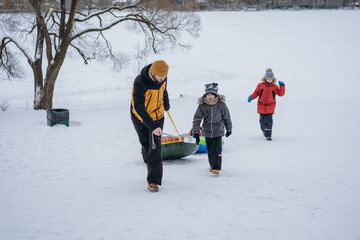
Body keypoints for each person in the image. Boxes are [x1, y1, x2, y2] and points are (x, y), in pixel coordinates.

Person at [130, 60, 170, 192]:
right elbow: (139, 107)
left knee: (155, 149)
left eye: (165, 77)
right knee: (147, 146)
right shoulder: (140, 82)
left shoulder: (163, 79)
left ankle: (153, 181)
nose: (163, 79)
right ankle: (147, 155)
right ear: (153, 73)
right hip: (140, 118)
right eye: (160, 77)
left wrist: (166, 103)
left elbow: (164, 91)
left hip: (158, 116)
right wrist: (152, 126)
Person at [192, 83, 232, 175]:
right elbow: (197, 119)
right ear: (205, 95)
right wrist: (196, 132)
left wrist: (229, 129)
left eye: (212, 94)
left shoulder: (221, 105)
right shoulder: (202, 106)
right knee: (210, 150)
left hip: (218, 130)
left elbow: (227, 118)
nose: (210, 97)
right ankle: (212, 164)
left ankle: (216, 167)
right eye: (208, 94)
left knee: (217, 149)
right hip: (207, 130)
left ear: (216, 95)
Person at [248, 68, 285, 141]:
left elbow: (281, 94)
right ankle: (264, 131)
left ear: (273, 79)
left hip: (270, 106)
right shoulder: (260, 85)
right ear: (265, 78)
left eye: (270, 79)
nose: (269, 80)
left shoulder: (275, 87)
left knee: (269, 121)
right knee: (262, 121)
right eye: (267, 78)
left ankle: (268, 136)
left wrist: (282, 86)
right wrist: (251, 97)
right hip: (261, 106)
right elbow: (256, 93)